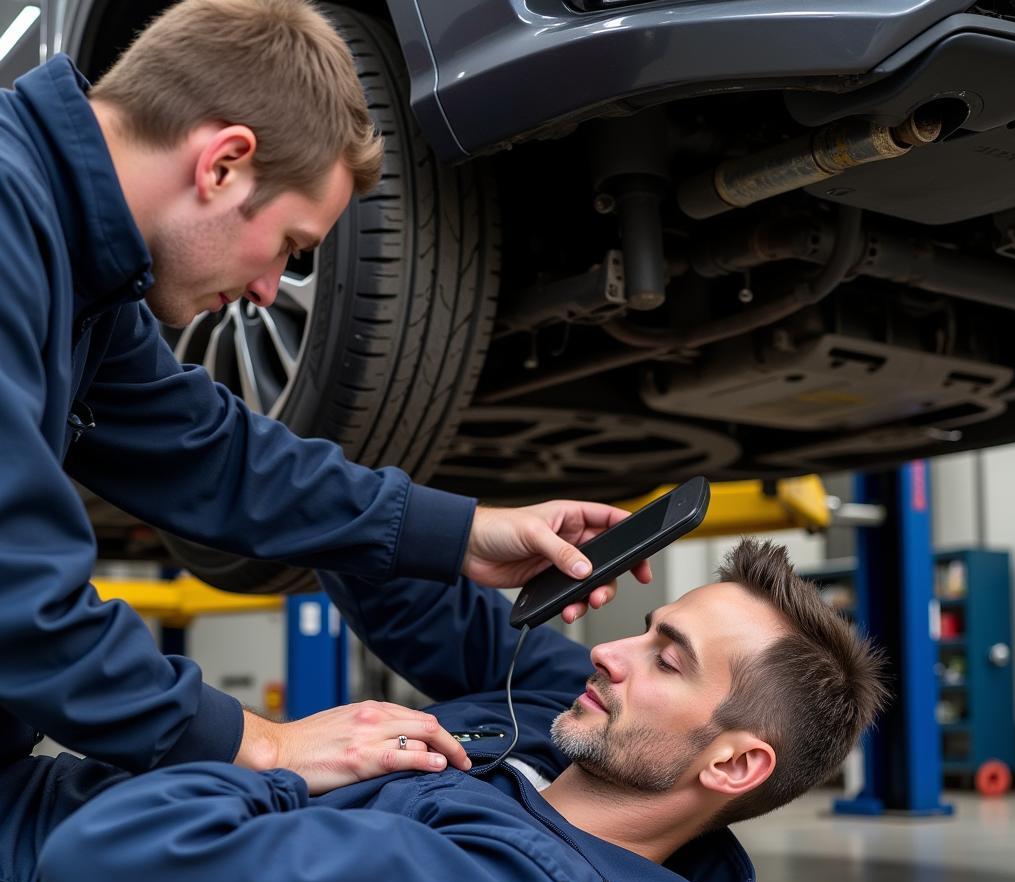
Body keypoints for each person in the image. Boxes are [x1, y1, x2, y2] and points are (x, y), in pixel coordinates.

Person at [0, 0, 646, 795]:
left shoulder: (77, 261)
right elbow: (17, 600)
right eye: (290, 246)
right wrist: (266, 745)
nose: (271, 292)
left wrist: (463, 533)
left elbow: (214, 456)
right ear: (223, 164)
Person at [0, 539, 884, 882]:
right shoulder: (562, 724)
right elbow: (387, 580)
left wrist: (278, 754)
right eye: (646, 626)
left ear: (732, 762)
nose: (610, 652)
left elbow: (106, 858)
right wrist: (464, 531)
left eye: (667, 658)